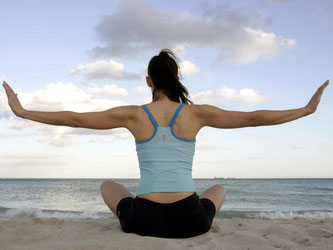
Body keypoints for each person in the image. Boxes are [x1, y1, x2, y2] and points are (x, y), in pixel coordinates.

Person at [2, 49, 329, 238]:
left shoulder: (132, 115)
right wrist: (305, 110)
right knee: (219, 188)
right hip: (191, 223)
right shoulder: (196, 114)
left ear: (149, 81)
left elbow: (75, 119)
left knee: (107, 185)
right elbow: (253, 118)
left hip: (141, 221)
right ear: (176, 79)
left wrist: (24, 112)